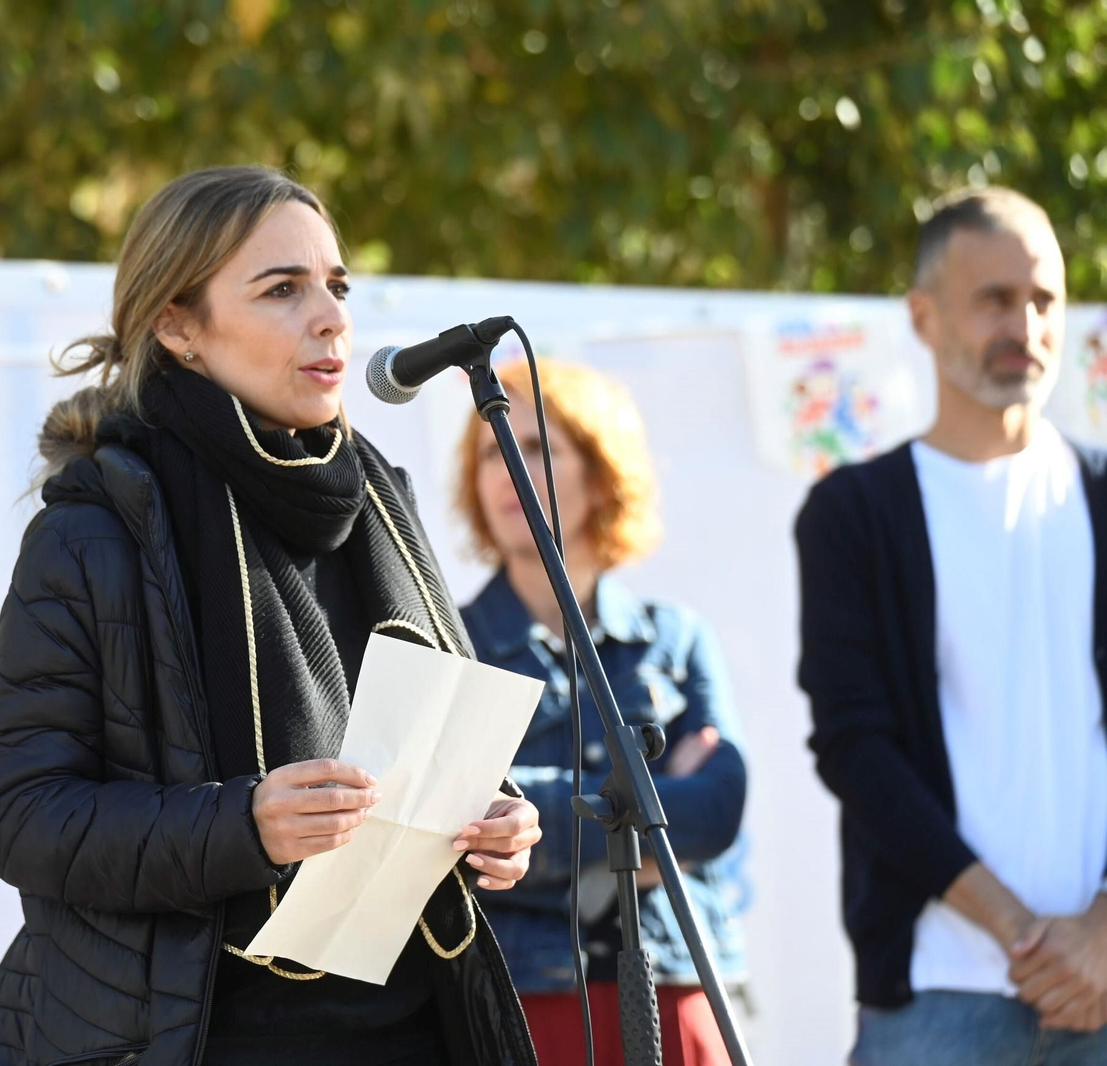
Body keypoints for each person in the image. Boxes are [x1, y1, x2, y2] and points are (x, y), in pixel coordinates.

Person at [0, 165, 542, 1066]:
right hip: (194, 1036)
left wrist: (495, 821)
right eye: (282, 289)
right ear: (179, 327)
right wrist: (244, 827)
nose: (331, 316)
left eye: (337, 285)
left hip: (416, 1029)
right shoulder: (97, 529)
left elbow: (428, 750)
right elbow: (19, 813)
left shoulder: (379, 495)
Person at [796, 186, 1107, 1065]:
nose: (1027, 325)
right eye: (995, 300)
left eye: (1043, 298)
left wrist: (1100, 937)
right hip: (937, 993)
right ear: (924, 318)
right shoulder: (852, 514)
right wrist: (1028, 937)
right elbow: (856, 747)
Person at [457, 360, 749, 1066]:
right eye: (493, 451)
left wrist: (534, 820)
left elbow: (715, 811)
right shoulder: (449, 642)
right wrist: (638, 826)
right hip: (521, 1001)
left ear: (599, 469)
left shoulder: (674, 638)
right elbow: (457, 823)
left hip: (671, 987)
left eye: (536, 449)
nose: (507, 470)